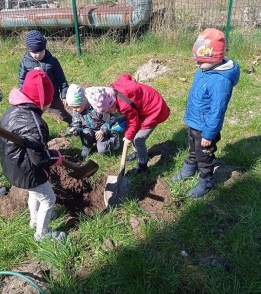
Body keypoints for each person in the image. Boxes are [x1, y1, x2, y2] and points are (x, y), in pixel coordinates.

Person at [172, 28, 240, 198]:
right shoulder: (205, 70)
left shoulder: (220, 81)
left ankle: (206, 181)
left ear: (214, 58)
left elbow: (217, 111)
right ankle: (189, 169)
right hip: (195, 122)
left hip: (205, 129)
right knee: (193, 148)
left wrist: (209, 135)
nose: (197, 64)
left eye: (200, 61)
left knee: (205, 156)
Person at [0, 69, 66, 242]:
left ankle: (34, 220)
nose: (49, 107)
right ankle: (42, 234)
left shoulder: (10, 112)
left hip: (12, 167)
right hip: (28, 171)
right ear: (42, 101)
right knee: (49, 199)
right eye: (48, 103)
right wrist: (55, 157)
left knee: (34, 194)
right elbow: (40, 158)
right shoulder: (33, 124)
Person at [84, 74, 170, 174]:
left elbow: (133, 122)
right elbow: (125, 76)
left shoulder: (124, 105)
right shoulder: (115, 86)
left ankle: (143, 165)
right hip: (144, 108)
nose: (110, 113)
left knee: (138, 139)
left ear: (111, 103)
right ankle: (139, 153)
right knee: (133, 134)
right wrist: (132, 82)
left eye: (108, 110)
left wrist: (128, 137)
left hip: (155, 111)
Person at [18, 29, 72, 125]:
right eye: (34, 52)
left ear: (45, 48)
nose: (38, 55)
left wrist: (64, 94)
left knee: (61, 113)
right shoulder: (25, 63)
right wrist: (23, 94)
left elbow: (61, 79)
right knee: (33, 116)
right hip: (33, 98)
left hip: (52, 96)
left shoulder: (52, 61)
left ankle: (73, 123)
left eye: (41, 51)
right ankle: (36, 129)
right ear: (29, 50)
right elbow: (22, 80)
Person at [65, 83, 122, 157]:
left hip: (103, 131)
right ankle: (88, 145)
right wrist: (75, 129)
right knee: (85, 132)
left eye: (76, 107)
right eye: (73, 107)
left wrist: (102, 130)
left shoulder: (97, 105)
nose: (74, 109)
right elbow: (77, 122)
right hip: (90, 130)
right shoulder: (77, 111)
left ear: (83, 101)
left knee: (102, 150)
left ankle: (114, 140)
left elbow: (109, 119)